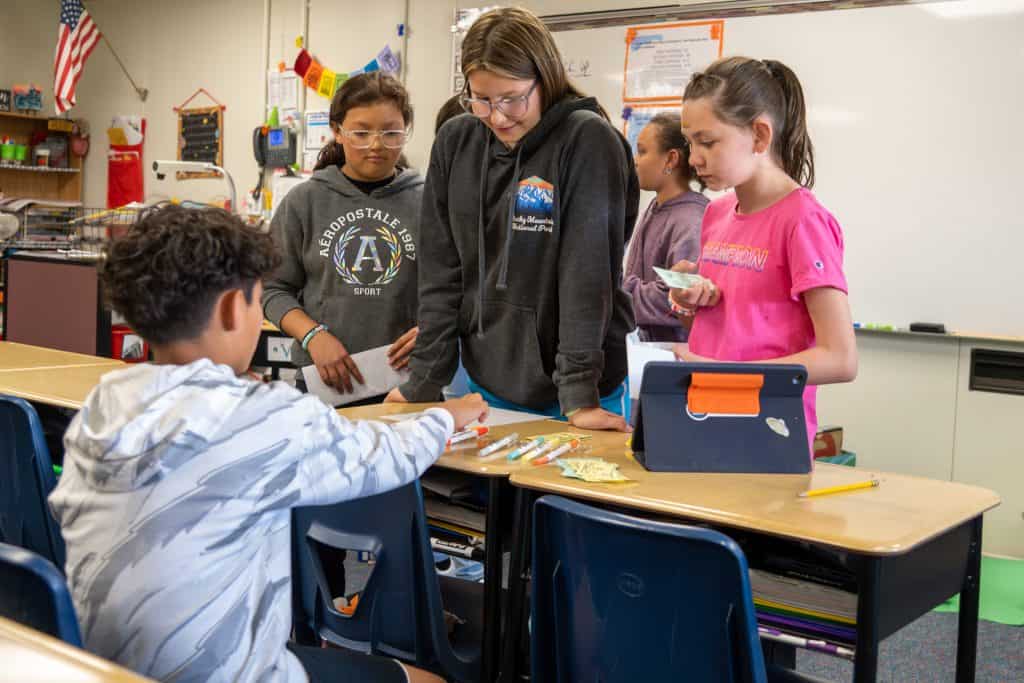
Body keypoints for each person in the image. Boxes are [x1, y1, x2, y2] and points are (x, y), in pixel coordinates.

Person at [49, 204, 486, 683]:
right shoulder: (261, 416)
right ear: (233, 308)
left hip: (98, 667)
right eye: (259, 301)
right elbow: (386, 456)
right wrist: (444, 415)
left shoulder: (104, 401)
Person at [387, 7, 639, 433]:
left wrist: (579, 395)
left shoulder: (587, 139)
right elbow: (441, 271)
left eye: (512, 98)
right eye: (482, 99)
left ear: (545, 77)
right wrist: (425, 379)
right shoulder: (457, 140)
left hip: (580, 387)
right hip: (489, 377)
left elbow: (587, 274)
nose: (498, 116)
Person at [668, 56, 858, 450]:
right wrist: (690, 300)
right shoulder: (717, 213)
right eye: (689, 143)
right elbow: (734, 329)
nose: (693, 158)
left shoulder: (803, 220)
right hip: (703, 418)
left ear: (758, 136)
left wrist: (727, 374)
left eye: (707, 142)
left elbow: (840, 359)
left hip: (767, 435)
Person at [262, 72, 423, 402]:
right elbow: (271, 288)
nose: (376, 145)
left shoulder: (429, 201)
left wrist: (433, 332)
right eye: (361, 133)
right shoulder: (303, 202)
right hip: (324, 385)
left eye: (391, 133)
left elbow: (460, 289)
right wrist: (313, 336)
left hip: (408, 384)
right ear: (336, 131)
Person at [623, 112, 708, 342]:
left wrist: (616, 292)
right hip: (644, 349)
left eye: (642, 151)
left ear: (670, 159)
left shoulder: (691, 220)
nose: (636, 160)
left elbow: (675, 296)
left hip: (674, 357)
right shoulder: (655, 206)